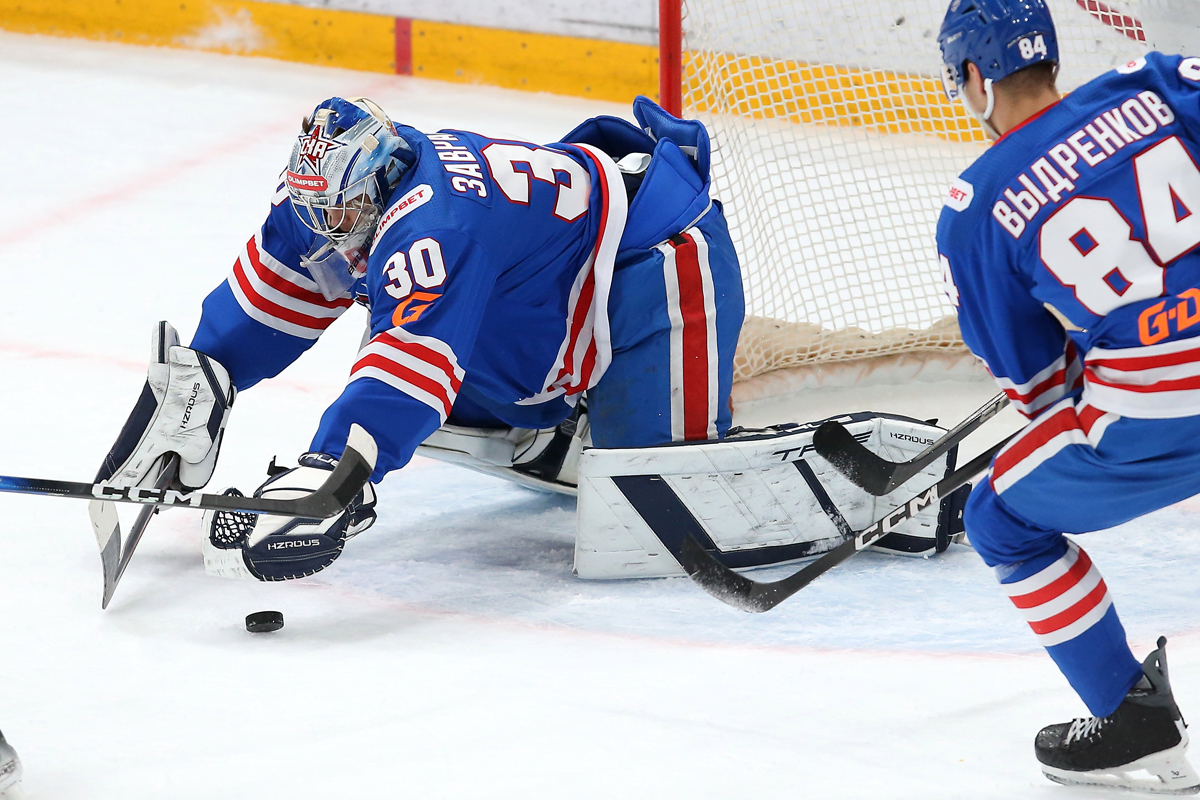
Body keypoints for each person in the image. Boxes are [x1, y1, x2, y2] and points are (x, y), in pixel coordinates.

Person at [94, 95, 745, 583]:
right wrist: (205, 374)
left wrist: (334, 471)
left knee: (656, 508)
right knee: (423, 392)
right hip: (551, 281)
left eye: (339, 214)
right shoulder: (335, 189)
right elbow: (281, 284)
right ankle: (564, 417)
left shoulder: (437, 224)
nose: (325, 227)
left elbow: (411, 360)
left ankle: (604, 409)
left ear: (380, 185)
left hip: (656, 257)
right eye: (315, 210)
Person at [937, 0, 1200, 792]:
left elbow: (1041, 392)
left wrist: (1097, 345)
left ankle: (1134, 723)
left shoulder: (975, 207)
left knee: (999, 519)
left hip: (1160, 414)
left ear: (975, 76)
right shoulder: (1156, 82)